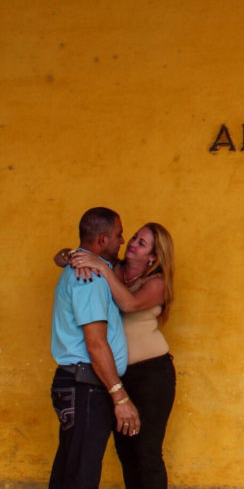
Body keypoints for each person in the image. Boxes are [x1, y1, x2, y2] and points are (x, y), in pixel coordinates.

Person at [59, 222, 176, 489]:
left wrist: (100, 266)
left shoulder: (156, 283)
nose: (131, 243)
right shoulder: (114, 267)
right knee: (125, 450)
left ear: (153, 258)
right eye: (134, 237)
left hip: (152, 376)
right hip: (117, 375)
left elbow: (129, 303)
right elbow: (66, 256)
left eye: (141, 243)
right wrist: (69, 255)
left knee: (147, 453)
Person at [49, 206, 141, 489]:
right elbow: (96, 343)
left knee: (71, 471)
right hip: (86, 386)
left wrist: (65, 254)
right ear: (102, 240)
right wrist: (120, 397)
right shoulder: (88, 278)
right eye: (118, 234)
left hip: (83, 384)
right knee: (80, 477)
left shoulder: (94, 270)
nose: (122, 240)